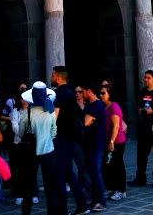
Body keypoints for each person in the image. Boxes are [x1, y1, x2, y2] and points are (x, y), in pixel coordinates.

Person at [51, 66, 90, 215]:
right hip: (70, 138)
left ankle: (62, 210)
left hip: (61, 138)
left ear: (58, 77)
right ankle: (82, 204)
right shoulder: (69, 92)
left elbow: (54, 117)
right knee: (68, 172)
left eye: (52, 75)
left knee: (59, 174)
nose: (51, 78)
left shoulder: (60, 94)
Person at [19, 81, 59, 215]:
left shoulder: (27, 113)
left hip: (31, 152)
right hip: (48, 151)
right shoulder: (50, 112)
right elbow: (54, 132)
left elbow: (21, 133)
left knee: (28, 187)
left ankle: (26, 212)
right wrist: (46, 138)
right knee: (50, 187)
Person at [129, 69, 153, 189]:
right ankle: (140, 178)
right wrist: (140, 110)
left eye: (148, 78)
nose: (145, 80)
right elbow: (138, 107)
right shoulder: (141, 93)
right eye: (145, 77)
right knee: (141, 154)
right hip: (144, 127)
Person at [81, 83, 106, 212]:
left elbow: (85, 122)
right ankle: (96, 198)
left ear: (89, 91)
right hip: (89, 144)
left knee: (95, 172)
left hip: (95, 144)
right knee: (91, 172)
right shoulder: (90, 105)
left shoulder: (96, 105)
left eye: (82, 91)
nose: (81, 94)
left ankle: (101, 201)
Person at [10, 88, 37, 206]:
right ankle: (20, 194)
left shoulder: (33, 111)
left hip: (31, 144)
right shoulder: (16, 111)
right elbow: (14, 126)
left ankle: (33, 193)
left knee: (32, 169)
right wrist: (25, 131)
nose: (24, 100)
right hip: (19, 143)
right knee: (21, 170)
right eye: (22, 98)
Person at [100, 85, 126, 201]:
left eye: (103, 93)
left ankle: (121, 190)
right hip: (108, 142)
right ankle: (113, 188)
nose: (101, 95)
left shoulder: (114, 107)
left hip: (117, 142)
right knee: (109, 164)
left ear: (109, 94)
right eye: (100, 93)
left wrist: (111, 142)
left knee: (118, 165)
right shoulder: (106, 107)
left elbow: (116, 126)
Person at [73, 85, 92, 199]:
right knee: (81, 165)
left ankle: (82, 185)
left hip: (87, 139)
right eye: (76, 92)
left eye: (80, 91)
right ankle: (88, 188)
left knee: (86, 164)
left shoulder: (88, 106)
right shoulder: (72, 106)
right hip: (76, 139)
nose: (78, 93)